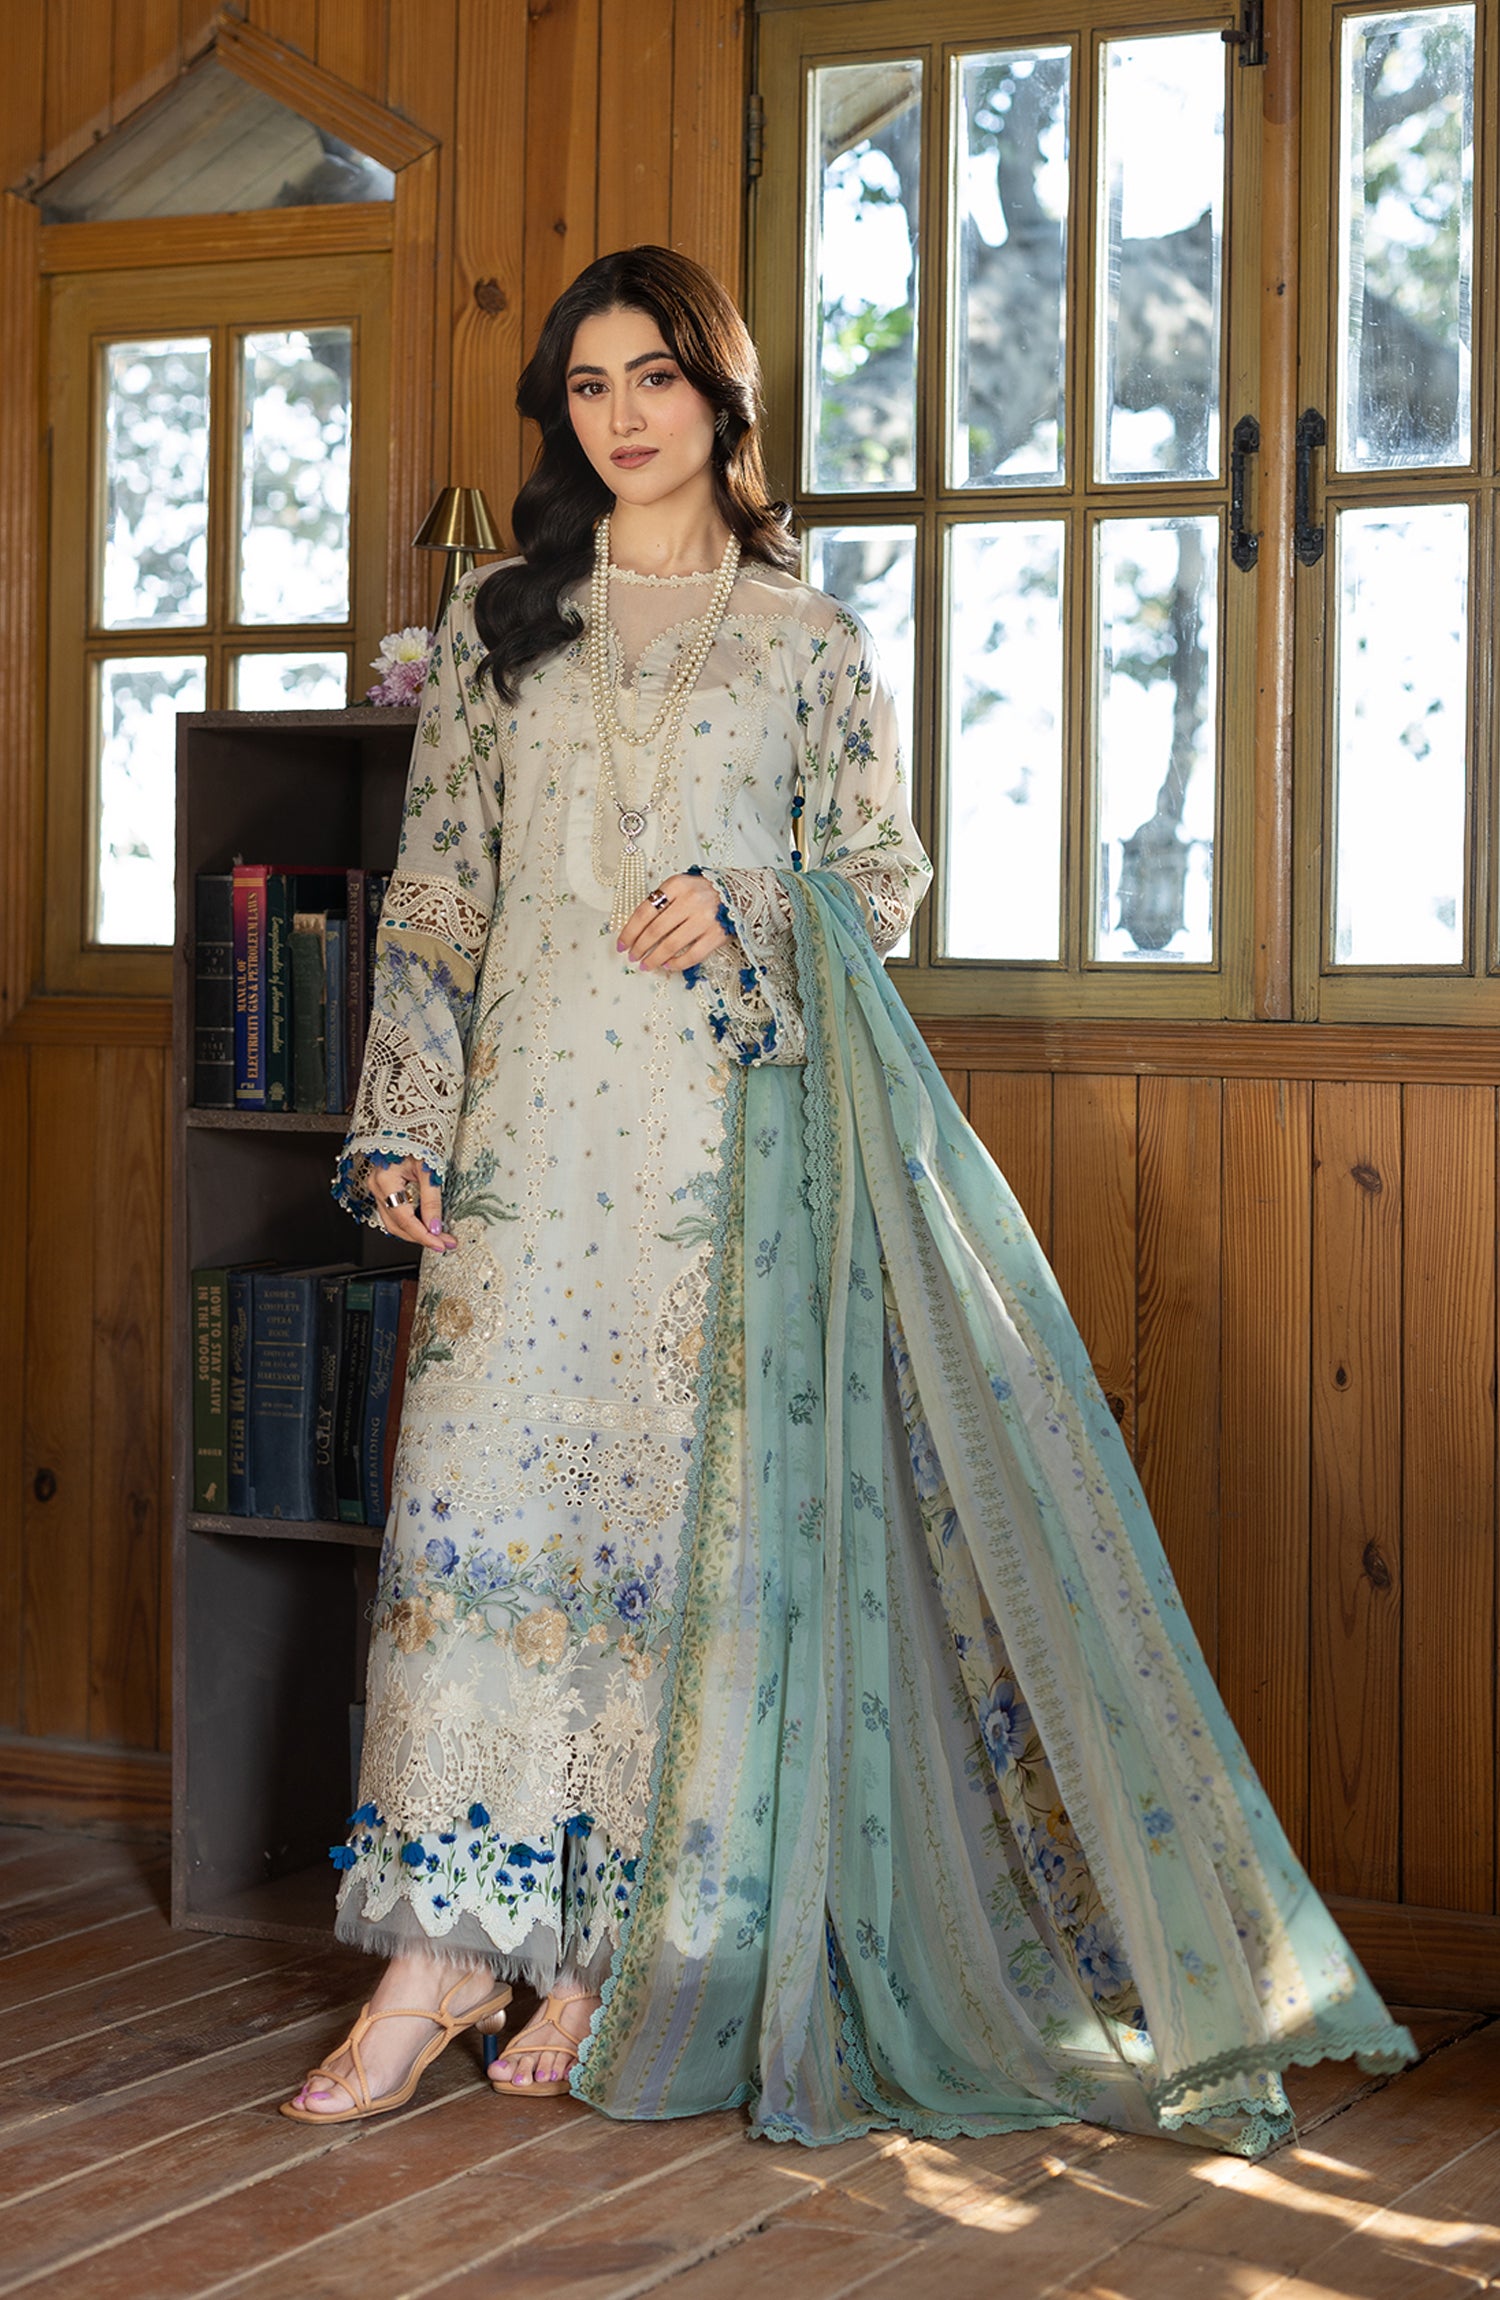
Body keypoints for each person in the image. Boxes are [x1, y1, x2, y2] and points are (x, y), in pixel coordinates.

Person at [283, 247, 1413, 2147]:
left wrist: (748, 906)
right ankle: (442, 1955)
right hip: (525, 1146)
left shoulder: (808, 642)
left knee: (672, 1546)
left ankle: (610, 1949)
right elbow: (442, 888)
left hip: (720, 1156)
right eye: (588, 387)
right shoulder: (500, 625)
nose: (622, 416)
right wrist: (404, 1119)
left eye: (655, 378)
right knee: (484, 1520)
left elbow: (879, 883)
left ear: (722, 399)